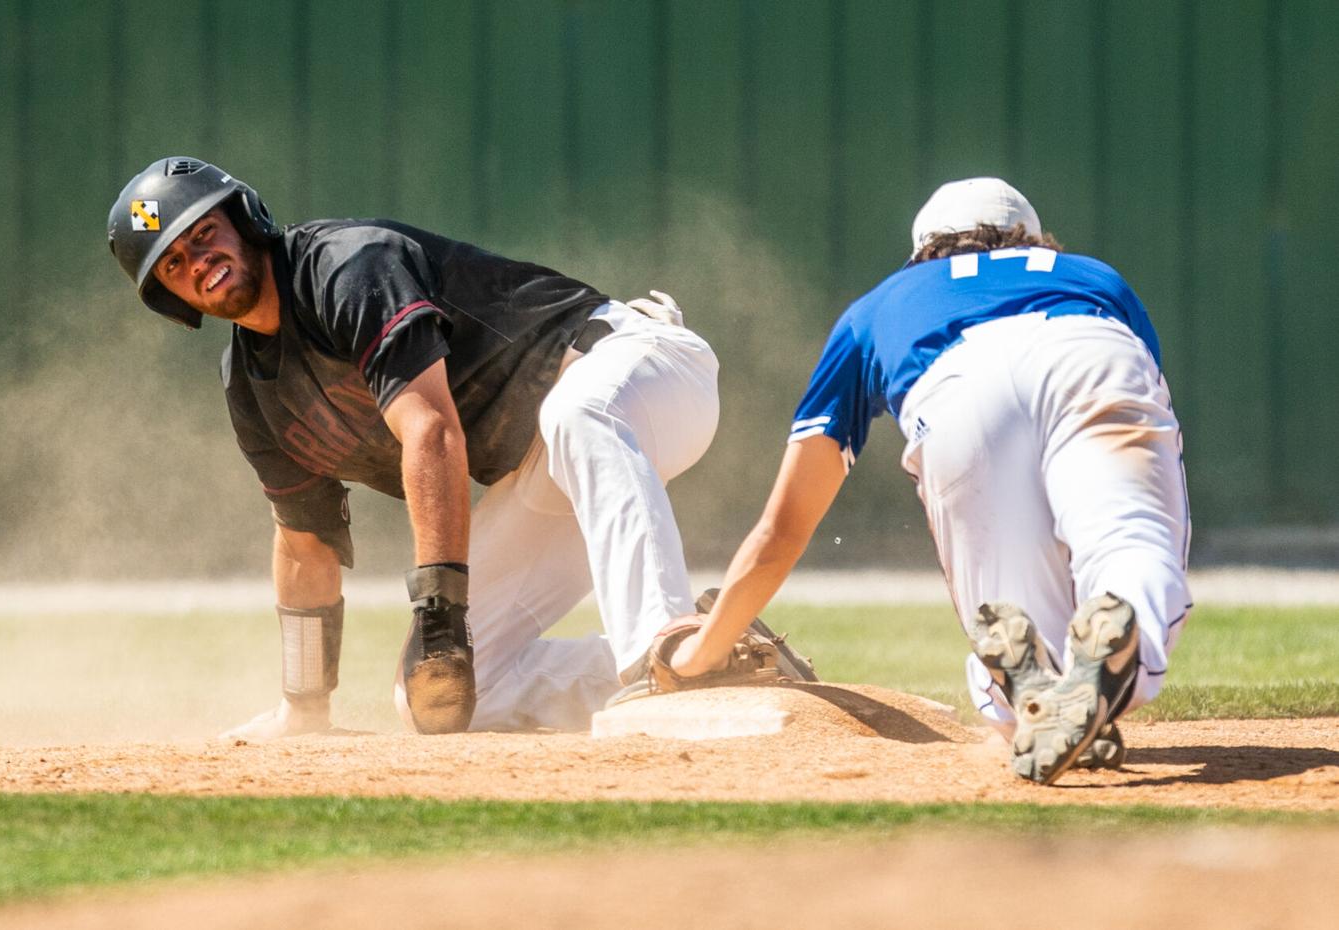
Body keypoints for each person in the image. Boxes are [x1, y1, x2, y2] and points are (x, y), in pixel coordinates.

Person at [107, 156, 721, 738]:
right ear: (173, 298)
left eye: (204, 232)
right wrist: (305, 706)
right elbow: (304, 542)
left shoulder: (346, 269)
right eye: (174, 263)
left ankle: (666, 644)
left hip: (634, 369)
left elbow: (430, 431)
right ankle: (719, 657)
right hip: (549, 466)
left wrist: (440, 613)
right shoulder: (249, 386)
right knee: (434, 699)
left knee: (576, 411)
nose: (197, 260)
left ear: (245, 219)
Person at [657, 178, 1191, 785]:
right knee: (1128, 540)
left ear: (922, 252)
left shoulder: (881, 306)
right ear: (1033, 239)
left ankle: (1037, 703)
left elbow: (781, 529)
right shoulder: (1092, 276)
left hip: (955, 389)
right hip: (1090, 351)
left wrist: (701, 653)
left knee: (1010, 646)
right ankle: (1117, 631)